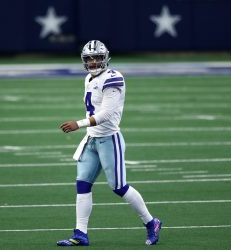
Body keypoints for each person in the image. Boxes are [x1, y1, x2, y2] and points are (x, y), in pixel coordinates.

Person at [57, 40, 162, 246]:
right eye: (89, 58)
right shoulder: (89, 78)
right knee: (82, 184)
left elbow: (106, 114)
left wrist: (78, 124)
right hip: (92, 139)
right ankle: (80, 234)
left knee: (118, 187)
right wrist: (85, 128)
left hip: (109, 139)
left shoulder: (114, 78)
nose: (93, 62)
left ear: (105, 58)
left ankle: (151, 222)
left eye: (97, 57)